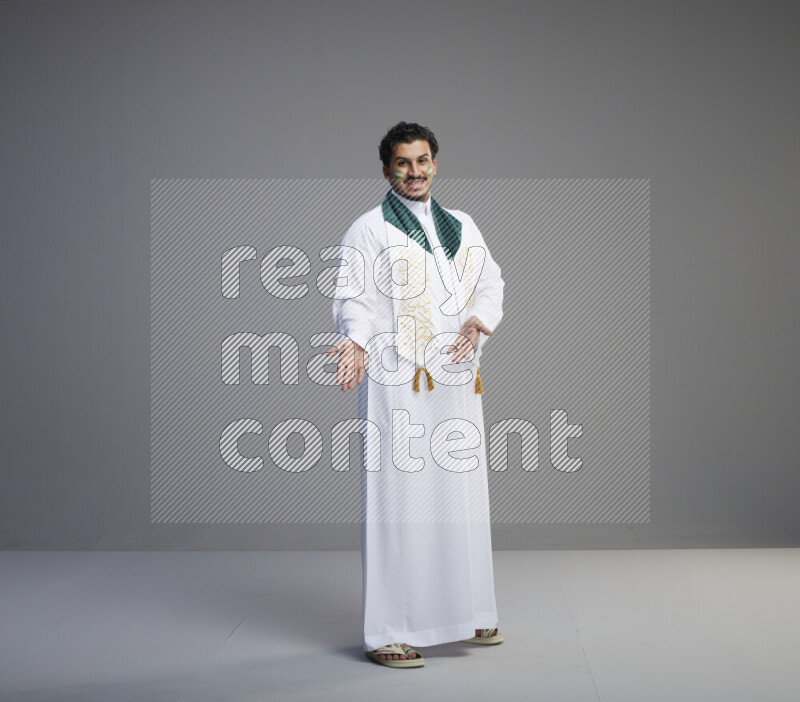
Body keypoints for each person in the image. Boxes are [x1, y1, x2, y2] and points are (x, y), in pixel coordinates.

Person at [327, 122, 505, 668]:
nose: (414, 171)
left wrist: (478, 320)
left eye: (422, 160)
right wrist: (355, 341)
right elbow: (353, 298)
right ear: (386, 170)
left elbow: (490, 282)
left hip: (454, 375)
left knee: (459, 495)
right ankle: (387, 631)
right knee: (398, 500)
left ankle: (468, 610)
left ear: (434, 164)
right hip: (396, 378)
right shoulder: (368, 229)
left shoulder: (462, 225)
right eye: (402, 163)